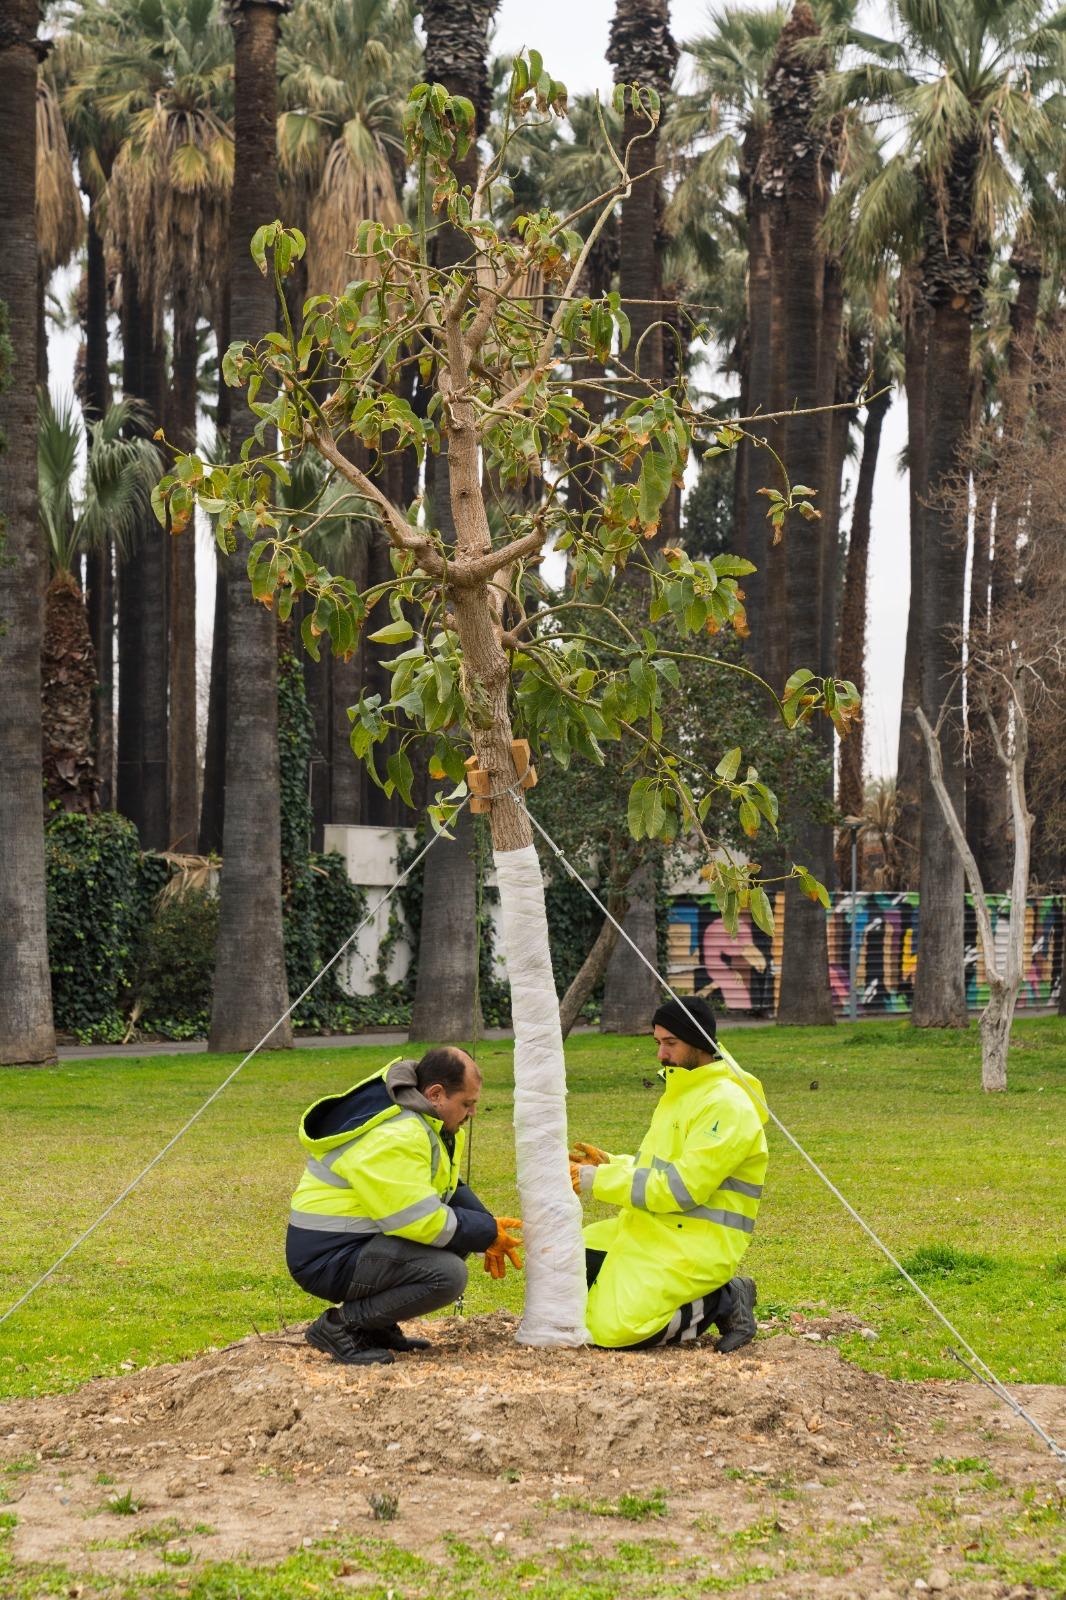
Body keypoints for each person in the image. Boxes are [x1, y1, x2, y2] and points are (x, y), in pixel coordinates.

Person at [287, 1046, 522, 1365]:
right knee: (447, 1275)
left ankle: (376, 1326)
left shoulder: (423, 1118)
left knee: (457, 1242)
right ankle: (342, 1327)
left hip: (347, 1242)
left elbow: (443, 1186)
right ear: (436, 1093)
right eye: (467, 1104)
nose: (473, 1114)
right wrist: (484, 1231)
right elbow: (416, 1219)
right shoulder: (400, 1132)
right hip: (328, 1256)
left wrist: (486, 1225)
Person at [569, 997, 767, 1353]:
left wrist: (594, 1181)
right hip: (654, 1227)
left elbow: (679, 1189)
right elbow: (660, 1169)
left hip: (693, 1244)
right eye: (658, 1042)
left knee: (616, 1330)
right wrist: (609, 1164)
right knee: (564, 1258)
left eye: (670, 1043)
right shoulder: (683, 1090)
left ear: (700, 1042)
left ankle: (724, 1298)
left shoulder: (727, 1104)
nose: (661, 1054)